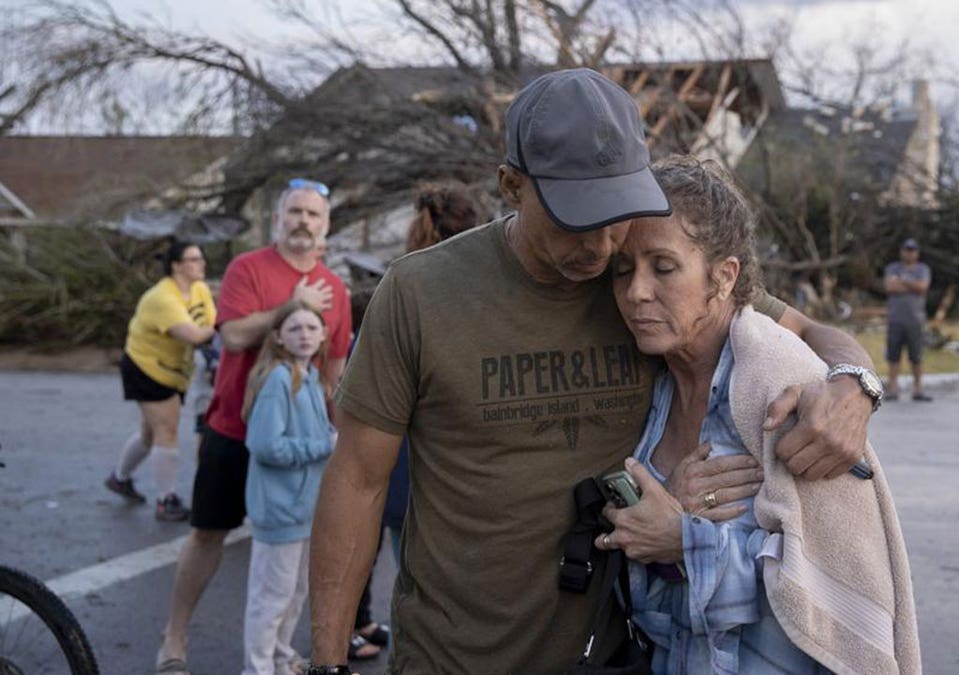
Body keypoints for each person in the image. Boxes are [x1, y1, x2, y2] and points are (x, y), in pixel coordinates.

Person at [307, 68, 882, 675]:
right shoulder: (420, 292)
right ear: (511, 186)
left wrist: (856, 385)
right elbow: (359, 482)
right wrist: (326, 662)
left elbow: (809, 330)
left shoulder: (645, 293)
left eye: (618, 213)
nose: (604, 246)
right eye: (577, 218)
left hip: (605, 653)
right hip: (451, 655)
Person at [597, 155, 918, 675]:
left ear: (724, 277)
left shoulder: (783, 387)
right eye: (623, 270)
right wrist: (661, 524)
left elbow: (825, 593)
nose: (636, 291)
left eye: (664, 267)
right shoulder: (653, 381)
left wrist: (685, 540)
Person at [154, 179, 352, 675]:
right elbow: (234, 335)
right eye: (295, 212)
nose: (304, 221)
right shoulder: (249, 268)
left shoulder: (335, 288)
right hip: (233, 431)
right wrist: (291, 305)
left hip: (299, 447)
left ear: (325, 225)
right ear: (278, 218)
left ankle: (277, 657)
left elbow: (335, 369)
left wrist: (341, 439)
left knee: (291, 560)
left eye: (313, 214)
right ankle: (174, 638)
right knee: (207, 534)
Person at [346, 181, 483, 664]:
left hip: (391, 466)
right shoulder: (476, 299)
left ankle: (366, 632)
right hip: (442, 475)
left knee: (394, 573)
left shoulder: (394, 291)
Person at [241, 301, 336, 675]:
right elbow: (265, 446)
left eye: (312, 328)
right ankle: (258, 668)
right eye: (295, 328)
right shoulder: (279, 378)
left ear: (324, 334)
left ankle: (281, 659)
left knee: (295, 594)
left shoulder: (311, 376)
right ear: (278, 336)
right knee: (271, 599)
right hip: (280, 509)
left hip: (305, 509)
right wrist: (325, 446)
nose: (305, 335)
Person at [105, 240, 215, 521]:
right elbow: (193, 334)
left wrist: (212, 328)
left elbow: (210, 321)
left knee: (149, 432)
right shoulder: (161, 298)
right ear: (176, 265)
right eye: (194, 259)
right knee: (167, 430)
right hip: (147, 368)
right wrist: (218, 329)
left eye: (201, 258)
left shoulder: (199, 288)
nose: (201, 264)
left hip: (173, 370)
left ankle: (120, 478)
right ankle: (166, 500)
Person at [883, 238, 932, 402]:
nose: (909, 253)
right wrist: (912, 285)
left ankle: (918, 388)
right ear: (902, 251)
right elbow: (890, 287)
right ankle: (892, 388)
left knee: (916, 356)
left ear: (917, 252)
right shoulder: (893, 268)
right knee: (893, 356)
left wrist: (902, 282)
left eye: (912, 250)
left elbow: (923, 287)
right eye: (906, 250)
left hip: (915, 320)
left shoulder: (922, 269)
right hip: (895, 318)